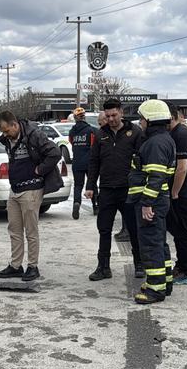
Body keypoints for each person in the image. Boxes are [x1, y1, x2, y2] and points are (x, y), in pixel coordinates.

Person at [0, 110, 62, 283]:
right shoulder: (9, 140)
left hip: (31, 189)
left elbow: (55, 153)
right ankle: (16, 266)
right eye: (2, 131)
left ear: (14, 125)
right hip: (15, 189)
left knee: (31, 231)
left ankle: (33, 266)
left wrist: (40, 169)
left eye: (6, 130)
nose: (5, 134)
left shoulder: (34, 135)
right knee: (14, 230)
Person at [86, 99, 145, 281]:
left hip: (128, 190)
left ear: (121, 112)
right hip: (107, 189)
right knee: (104, 229)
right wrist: (90, 185)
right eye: (108, 116)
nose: (111, 119)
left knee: (134, 229)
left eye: (114, 115)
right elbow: (94, 161)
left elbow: (142, 160)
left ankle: (140, 264)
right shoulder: (100, 134)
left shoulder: (135, 132)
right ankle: (103, 267)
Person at [130, 100, 176, 305]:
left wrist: (147, 203)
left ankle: (155, 288)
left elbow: (156, 175)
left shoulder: (156, 143)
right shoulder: (163, 139)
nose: (140, 122)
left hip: (152, 202)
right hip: (158, 200)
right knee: (159, 242)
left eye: (142, 118)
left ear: (150, 120)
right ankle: (165, 281)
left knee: (150, 245)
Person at [166, 106, 187, 285]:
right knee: (178, 231)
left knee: (183, 232)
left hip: (183, 192)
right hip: (183, 190)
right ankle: (182, 266)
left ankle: (186, 271)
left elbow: (182, 167)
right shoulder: (179, 132)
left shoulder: (181, 134)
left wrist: (175, 191)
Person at [69, 107, 97, 219]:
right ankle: (96, 206)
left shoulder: (72, 132)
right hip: (89, 162)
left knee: (78, 185)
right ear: (84, 117)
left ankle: (76, 203)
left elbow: (71, 143)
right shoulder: (91, 130)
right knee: (92, 184)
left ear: (75, 118)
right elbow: (94, 145)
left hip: (76, 162)